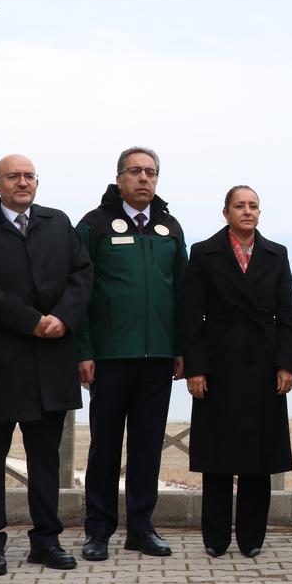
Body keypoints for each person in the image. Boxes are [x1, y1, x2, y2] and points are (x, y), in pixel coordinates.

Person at [0, 154, 93, 575]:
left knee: (45, 459)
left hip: (51, 360)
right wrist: (32, 321)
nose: (22, 182)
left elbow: (82, 275)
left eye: (29, 176)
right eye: (13, 176)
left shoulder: (58, 222)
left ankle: (46, 541)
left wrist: (62, 318)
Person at [76, 147, 188, 561]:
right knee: (104, 447)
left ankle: (141, 528)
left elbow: (183, 292)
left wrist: (182, 349)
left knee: (147, 447)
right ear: (119, 177)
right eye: (136, 171)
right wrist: (83, 350)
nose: (144, 179)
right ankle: (98, 531)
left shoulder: (169, 227)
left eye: (151, 172)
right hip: (109, 357)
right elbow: (79, 291)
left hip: (157, 357)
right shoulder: (94, 225)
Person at [181, 186, 292, 558]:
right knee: (217, 454)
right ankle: (215, 537)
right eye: (240, 206)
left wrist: (286, 364)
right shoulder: (204, 252)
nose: (247, 211)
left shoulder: (276, 254)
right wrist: (195, 369)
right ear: (226, 212)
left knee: (258, 457)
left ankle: (252, 537)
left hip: (264, 363)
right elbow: (190, 316)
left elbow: (288, 315)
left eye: (253, 206)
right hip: (219, 361)